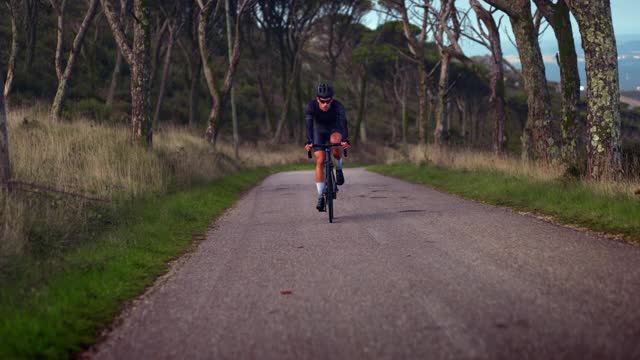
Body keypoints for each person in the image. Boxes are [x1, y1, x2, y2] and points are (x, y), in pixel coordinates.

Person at [304, 83, 350, 211]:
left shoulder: (338, 106)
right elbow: (308, 125)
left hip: (334, 129)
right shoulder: (311, 106)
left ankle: (339, 168)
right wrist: (309, 142)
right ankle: (320, 196)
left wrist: (345, 140)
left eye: (328, 101)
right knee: (320, 160)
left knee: (335, 146)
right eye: (322, 101)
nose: (325, 104)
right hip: (318, 131)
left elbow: (343, 123)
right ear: (317, 99)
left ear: (332, 99)